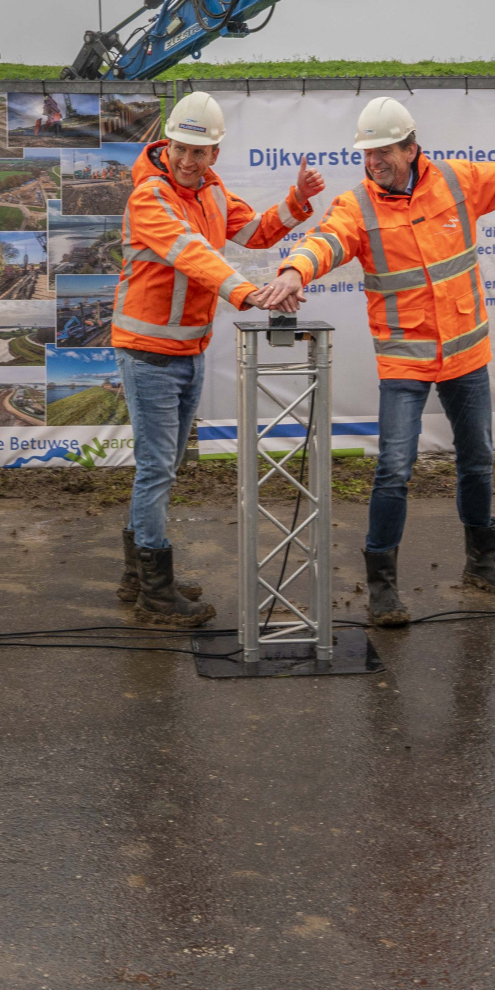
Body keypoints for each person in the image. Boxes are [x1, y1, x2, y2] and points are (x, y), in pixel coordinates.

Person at [255, 94, 495, 626]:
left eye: (384, 151)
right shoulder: (355, 206)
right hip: (405, 363)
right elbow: (325, 242)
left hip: (465, 356)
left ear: (412, 149)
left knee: (477, 460)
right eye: (367, 153)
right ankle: (383, 586)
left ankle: (483, 561)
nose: (373, 162)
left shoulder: (456, 180)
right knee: (393, 470)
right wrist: (295, 270)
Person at [112, 90, 323, 626]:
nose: (189, 160)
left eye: (199, 152)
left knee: (164, 468)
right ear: (168, 143)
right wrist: (247, 293)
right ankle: (155, 598)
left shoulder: (211, 191)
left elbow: (252, 232)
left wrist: (295, 203)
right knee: (157, 470)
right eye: (182, 148)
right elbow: (192, 253)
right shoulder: (149, 197)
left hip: (188, 351)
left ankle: (139, 574)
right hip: (149, 353)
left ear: (214, 155)